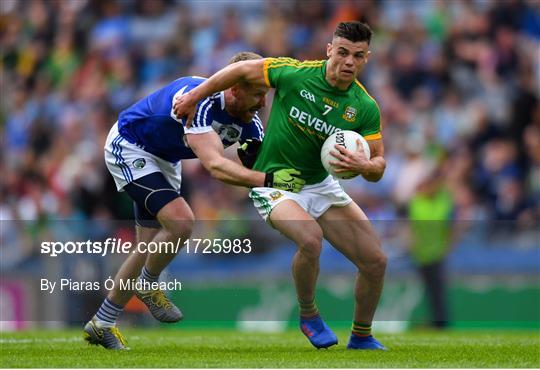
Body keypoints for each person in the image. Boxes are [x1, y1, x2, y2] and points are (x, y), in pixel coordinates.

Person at [174, 21, 387, 350]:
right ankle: (309, 314)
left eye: (357, 56)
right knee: (311, 240)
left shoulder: (364, 107)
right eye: (342, 52)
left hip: (320, 185)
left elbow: (378, 165)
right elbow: (242, 69)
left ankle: (361, 336)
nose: (348, 62)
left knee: (376, 261)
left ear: (366, 59)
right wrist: (195, 96)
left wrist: (365, 166)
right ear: (330, 50)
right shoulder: (295, 74)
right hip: (276, 183)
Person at [83, 52, 305, 350]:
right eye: (258, 94)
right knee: (182, 222)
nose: (263, 103)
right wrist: (268, 179)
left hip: (165, 159)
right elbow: (215, 166)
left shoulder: (250, 123)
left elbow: (261, 167)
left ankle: (101, 323)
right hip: (131, 145)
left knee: (147, 246)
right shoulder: (200, 102)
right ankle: (149, 285)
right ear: (234, 88)